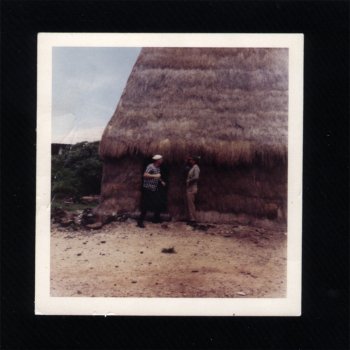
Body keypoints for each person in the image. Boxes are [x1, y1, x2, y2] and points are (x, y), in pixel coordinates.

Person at [137, 155, 166, 228]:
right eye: (161, 159)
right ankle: (140, 222)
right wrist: (155, 176)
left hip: (154, 188)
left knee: (158, 202)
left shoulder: (158, 168)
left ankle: (156, 219)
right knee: (146, 204)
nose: (162, 160)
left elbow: (158, 176)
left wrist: (161, 181)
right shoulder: (150, 166)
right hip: (148, 188)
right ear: (157, 160)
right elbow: (145, 175)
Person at [185, 156, 200, 224]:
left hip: (192, 188)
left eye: (191, 160)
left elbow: (196, 177)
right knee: (190, 203)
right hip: (190, 187)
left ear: (194, 161)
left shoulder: (196, 168)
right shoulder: (193, 168)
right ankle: (191, 218)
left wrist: (189, 181)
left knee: (191, 204)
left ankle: (193, 219)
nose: (190, 161)